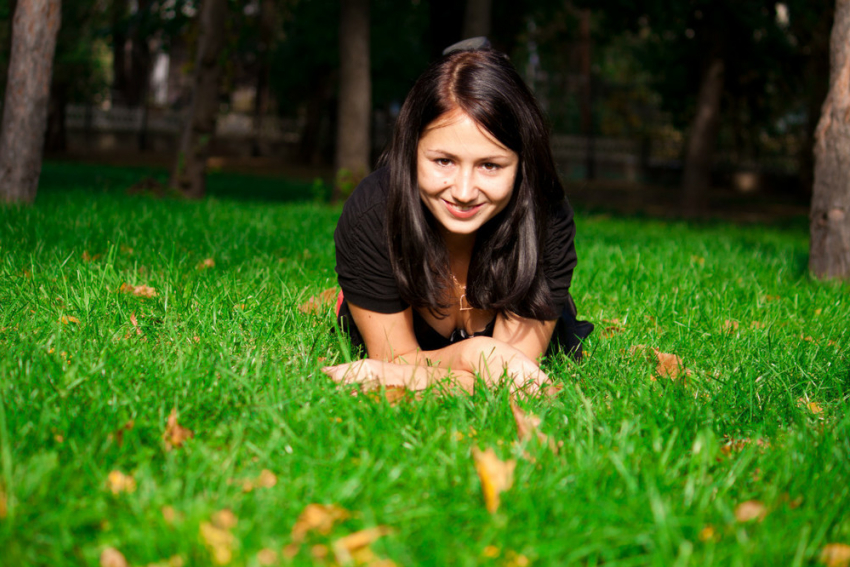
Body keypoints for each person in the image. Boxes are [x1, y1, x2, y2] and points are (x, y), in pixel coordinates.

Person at [323, 39, 593, 395]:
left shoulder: (545, 217)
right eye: (443, 161)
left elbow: (514, 378)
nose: (464, 192)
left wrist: (402, 373)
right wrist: (478, 353)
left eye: (490, 165)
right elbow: (399, 358)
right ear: (411, 151)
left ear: (522, 166)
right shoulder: (374, 214)